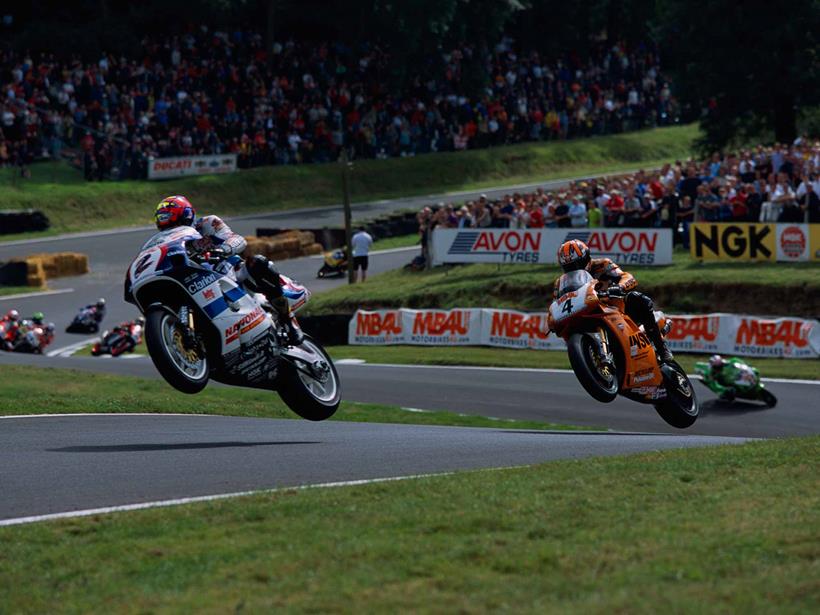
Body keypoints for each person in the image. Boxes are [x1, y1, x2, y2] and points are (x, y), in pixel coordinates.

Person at [153, 195, 303, 345]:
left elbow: (237, 239)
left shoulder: (207, 223)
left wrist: (223, 249)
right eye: (166, 227)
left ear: (187, 216)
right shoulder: (163, 244)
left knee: (259, 262)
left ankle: (288, 319)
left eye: (176, 223)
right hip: (198, 284)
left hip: (231, 274)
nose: (172, 229)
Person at [552, 239, 674, 363]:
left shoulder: (602, 264)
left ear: (587, 259)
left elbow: (627, 277)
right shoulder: (560, 283)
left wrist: (619, 287)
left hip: (615, 306)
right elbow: (557, 302)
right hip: (586, 312)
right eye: (569, 267)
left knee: (638, 299)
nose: (574, 269)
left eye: (577, 265)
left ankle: (661, 347)